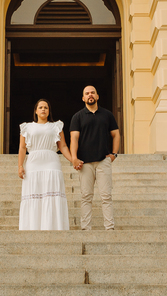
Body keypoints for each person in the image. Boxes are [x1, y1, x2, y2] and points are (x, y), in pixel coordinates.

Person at [18, 99, 77, 230]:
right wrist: (20, 166)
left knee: (52, 195)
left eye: (46, 107)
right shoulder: (26, 127)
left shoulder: (56, 126)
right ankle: (32, 228)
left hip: (51, 162)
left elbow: (63, 146)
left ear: (49, 111)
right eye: (40, 107)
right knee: (34, 195)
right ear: (36, 111)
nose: (43, 109)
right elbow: (22, 148)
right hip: (33, 162)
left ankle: (53, 227)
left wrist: (73, 160)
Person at [69, 85, 120, 231]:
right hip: (85, 163)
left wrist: (114, 154)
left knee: (106, 196)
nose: (90, 95)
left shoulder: (107, 115)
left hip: (103, 160)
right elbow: (74, 139)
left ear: (97, 96)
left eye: (92, 93)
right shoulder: (77, 117)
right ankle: (86, 228)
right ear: (83, 98)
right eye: (87, 93)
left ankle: (109, 228)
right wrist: (74, 158)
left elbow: (116, 134)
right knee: (86, 196)